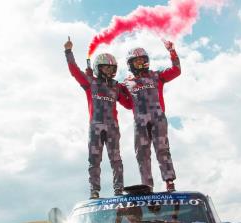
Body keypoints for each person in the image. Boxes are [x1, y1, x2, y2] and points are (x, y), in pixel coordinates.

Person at [64, 37, 130, 199]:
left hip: (113, 128)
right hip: (95, 127)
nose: (109, 71)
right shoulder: (90, 82)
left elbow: (128, 104)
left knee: (116, 159)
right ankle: (94, 190)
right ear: (98, 68)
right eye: (106, 68)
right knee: (94, 160)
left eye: (111, 68)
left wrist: (131, 87)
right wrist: (68, 52)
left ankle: (119, 189)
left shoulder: (116, 86)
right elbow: (74, 71)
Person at [122, 40, 181, 192]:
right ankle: (147, 185)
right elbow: (128, 104)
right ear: (130, 64)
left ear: (147, 61)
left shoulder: (157, 75)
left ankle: (169, 181)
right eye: (136, 60)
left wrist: (172, 52)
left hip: (158, 117)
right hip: (139, 121)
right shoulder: (127, 83)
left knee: (162, 149)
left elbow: (176, 70)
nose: (140, 62)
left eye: (142, 59)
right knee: (142, 153)